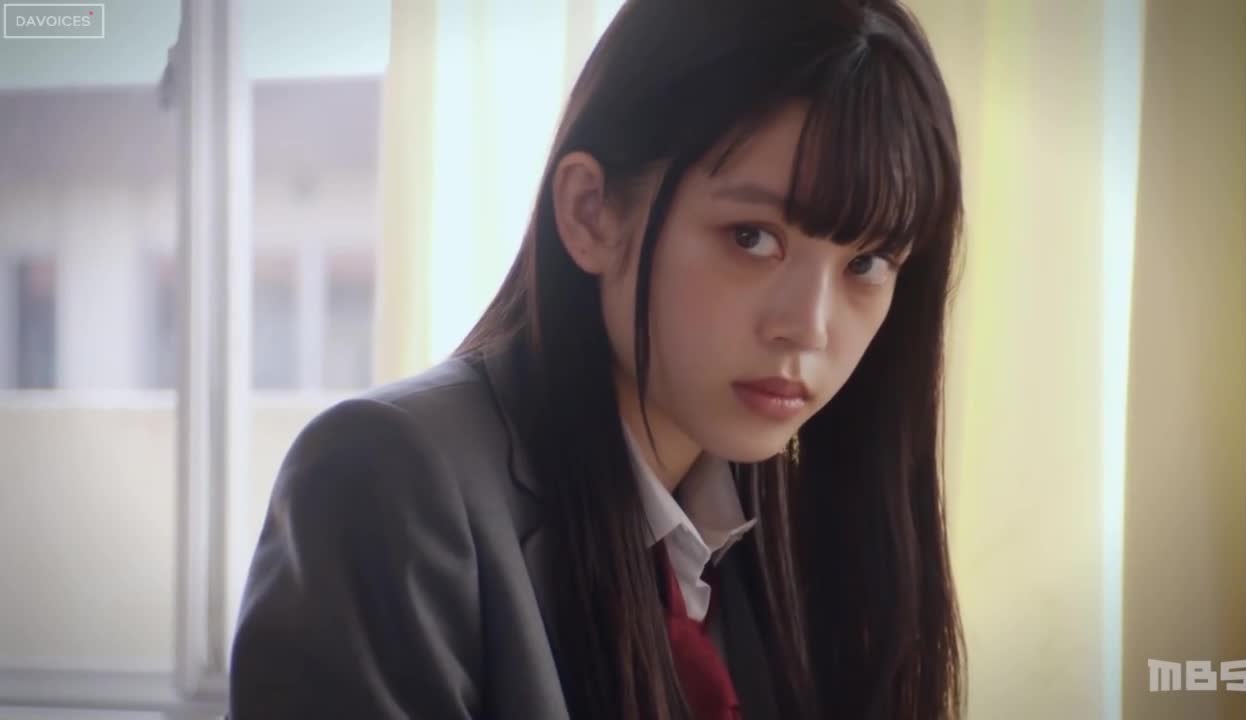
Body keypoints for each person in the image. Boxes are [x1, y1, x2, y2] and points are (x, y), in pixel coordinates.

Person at [228, 0, 966, 718]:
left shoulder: (787, 527)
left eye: (868, 263)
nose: (809, 328)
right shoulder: (384, 479)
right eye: (752, 237)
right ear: (591, 213)